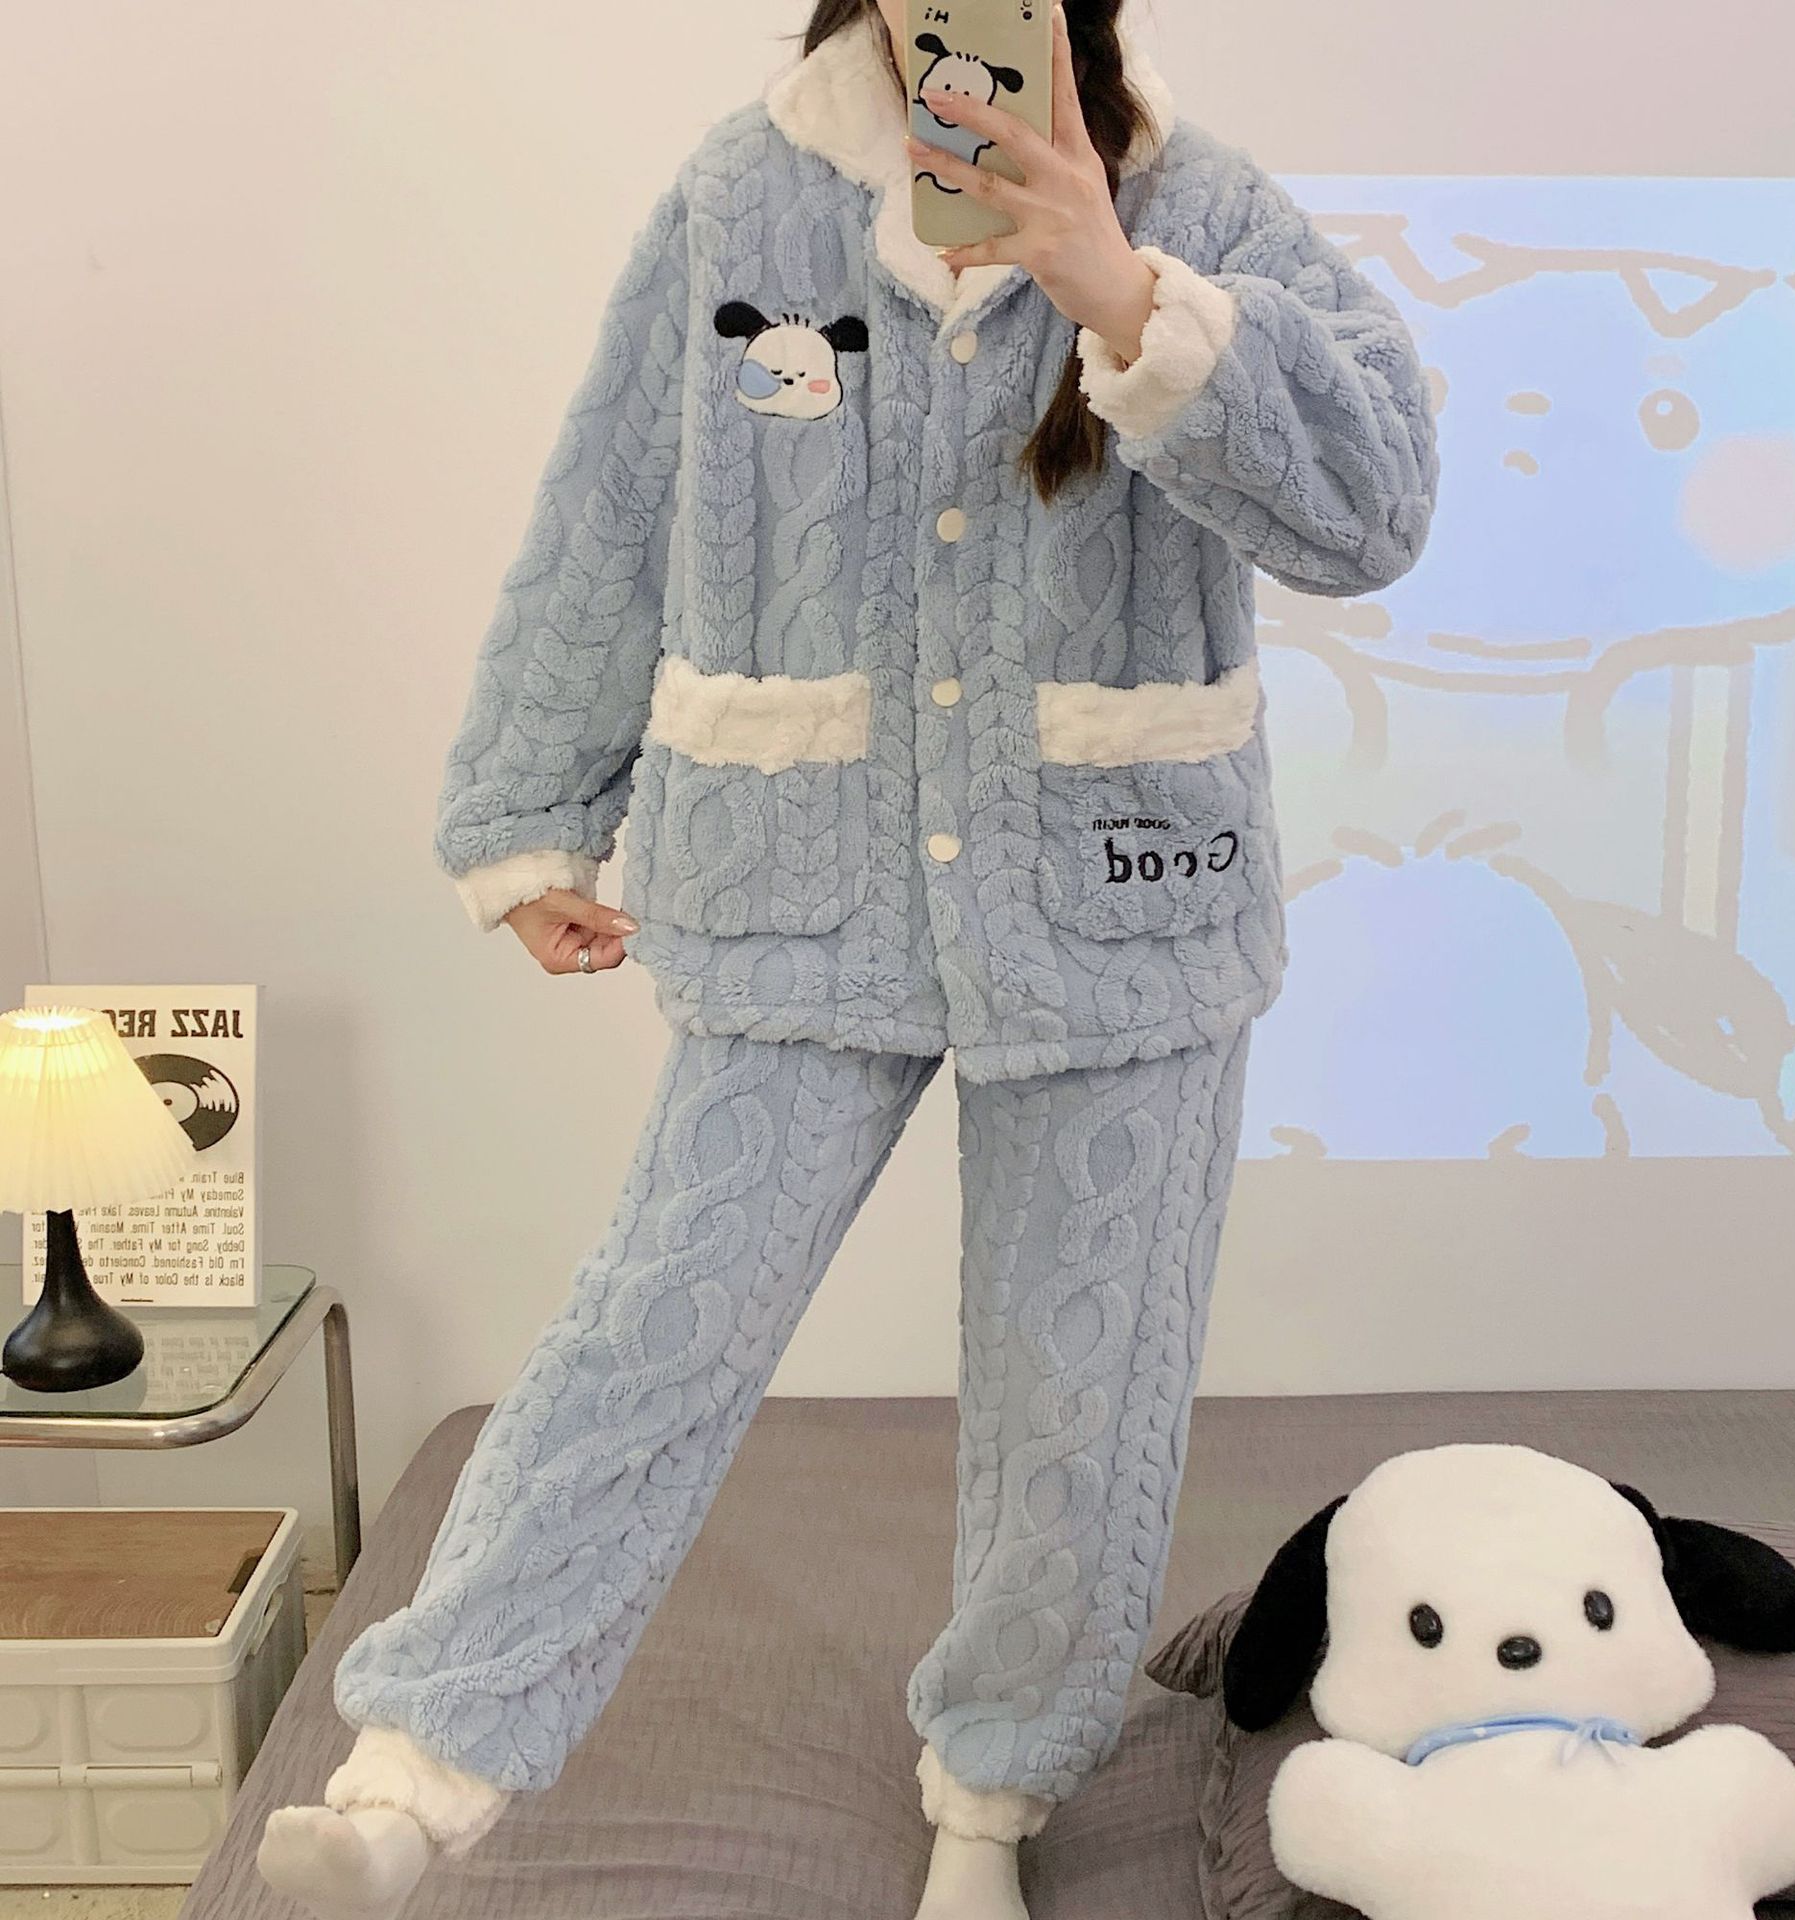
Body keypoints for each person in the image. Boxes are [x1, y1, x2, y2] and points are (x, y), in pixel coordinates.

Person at [257, 2, 1438, 1916]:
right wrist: (532, 813)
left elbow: (1377, 508)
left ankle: (995, 1797)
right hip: (805, 863)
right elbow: (614, 499)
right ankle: (419, 1766)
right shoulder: (744, 195)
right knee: (661, 1317)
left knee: (1083, 1375)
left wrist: (1129, 296)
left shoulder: (1196, 204)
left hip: (1118, 885)